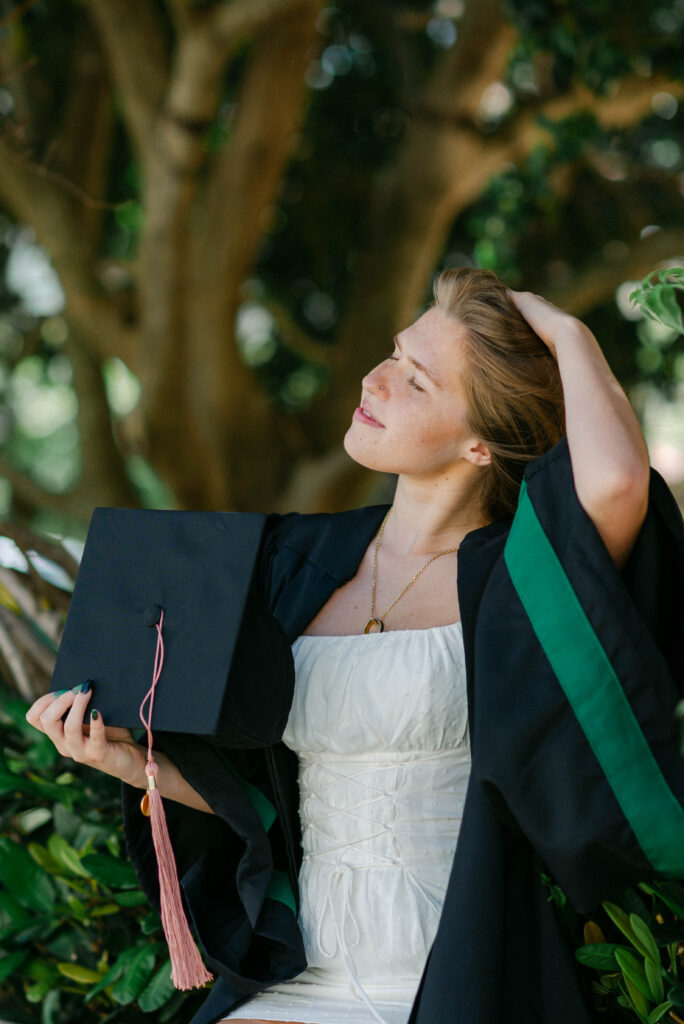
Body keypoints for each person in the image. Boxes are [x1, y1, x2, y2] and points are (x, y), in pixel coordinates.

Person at [26, 268, 684, 1024]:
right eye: (394, 353)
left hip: (456, 970)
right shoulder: (290, 563)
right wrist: (120, 761)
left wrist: (567, 330)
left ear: (479, 446)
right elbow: (267, 802)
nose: (374, 379)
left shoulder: (520, 578)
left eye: (416, 379)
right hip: (301, 970)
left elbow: (617, 486)